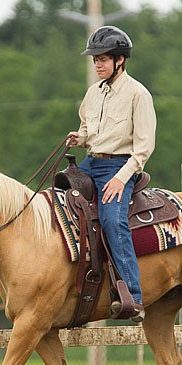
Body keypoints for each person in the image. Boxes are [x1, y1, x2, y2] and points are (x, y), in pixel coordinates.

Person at [66, 25, 157, 322]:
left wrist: (121, 178)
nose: (97, 65)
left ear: (120, 60)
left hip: (120, 166)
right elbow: (87, 130)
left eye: (103, 59)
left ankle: (132, 295)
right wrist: (79, 138)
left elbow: (143, 148)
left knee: (112, 219)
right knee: (59, 205)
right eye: (95, 60)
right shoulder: (93, 93)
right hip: (91, 162)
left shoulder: (138, 94)